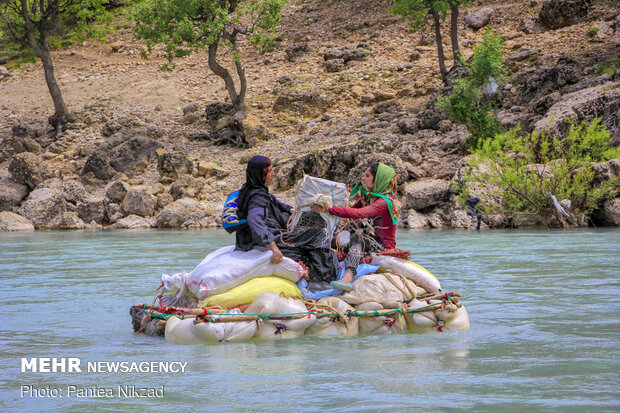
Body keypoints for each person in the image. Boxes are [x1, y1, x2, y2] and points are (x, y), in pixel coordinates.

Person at [236, 155, 338, 281]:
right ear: (260, 174)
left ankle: (315, 272)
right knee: (321, 235)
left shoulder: (250, 189)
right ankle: (321, 279)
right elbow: (254, 220)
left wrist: (305, 208)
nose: (273, 174)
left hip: (259, 239)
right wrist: (273, 247)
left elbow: (282, 206)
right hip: (274, 239)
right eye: (270, 171)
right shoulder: (258, 197)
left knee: (325, 251)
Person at [312, 162, 400, 291]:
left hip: (382, 246)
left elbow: (359, 214)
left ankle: (348, 276)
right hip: (369, 240)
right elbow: (351, 212)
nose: (362, 179)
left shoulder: (385, 202)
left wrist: (329, 209)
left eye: (367, 176)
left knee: (358, 237)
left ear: (379, 180)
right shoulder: (369, 197)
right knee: (325, 238)